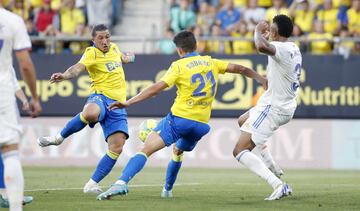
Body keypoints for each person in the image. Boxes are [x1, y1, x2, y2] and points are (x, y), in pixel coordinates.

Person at [96, 31, 267, 200]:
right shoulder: (210, 62)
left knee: (145, 150)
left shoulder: (178, 66)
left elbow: (156, 88)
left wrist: (129, 102)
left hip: (179, 120)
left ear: (179, 50)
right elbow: (241, 68)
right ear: (196, 45)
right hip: (201, 126)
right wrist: (260, 79)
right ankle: (167, 190)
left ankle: (121, 183)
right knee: (178, 150)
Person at [37, 24, 135, 194]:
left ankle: (91, 184)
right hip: (101, 97)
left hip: (118, 104)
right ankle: (59, 138)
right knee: (90, 113)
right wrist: (65, 76)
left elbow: (122, 58)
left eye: (107, 37)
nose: (105, 41)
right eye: (101, 38)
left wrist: (129, 57)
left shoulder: (114, 48)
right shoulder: (91, 53)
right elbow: (76, 68)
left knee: (117, 148)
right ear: (93, 40)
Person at [232, 15, 302, 201]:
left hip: (273, 108)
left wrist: (257, 32)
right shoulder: (293, 47)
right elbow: (269, 48)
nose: (268, 32)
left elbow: (261, 46)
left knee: (239, 151)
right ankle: (270, 163)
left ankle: (278, 185)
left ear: (275, 32)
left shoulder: (279, 48)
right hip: (281, 103)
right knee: (242, 121)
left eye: (271, 29)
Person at [0, 3, 42, 211]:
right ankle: (14, 207)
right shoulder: (11, 21)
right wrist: (34, 98)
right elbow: (25, 64)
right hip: (1, 92)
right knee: (9, 150)